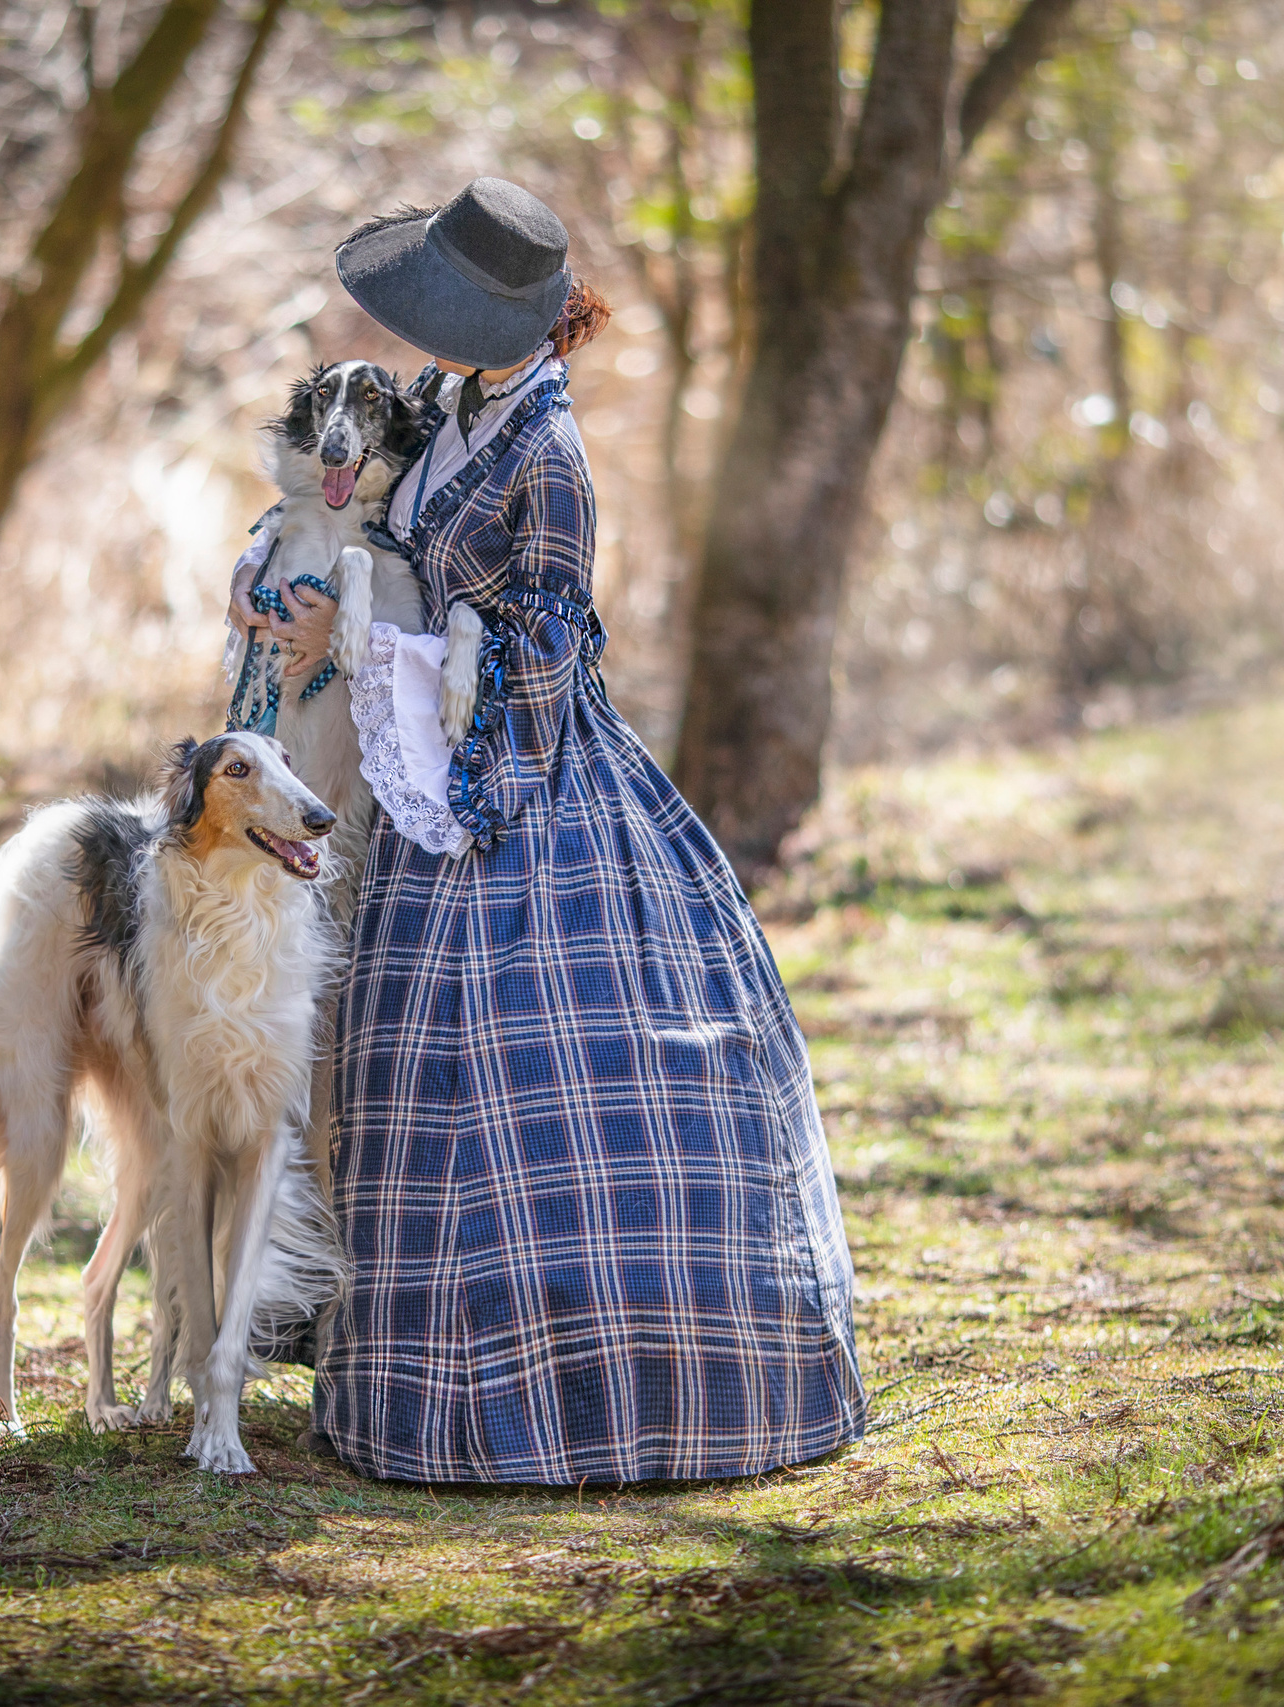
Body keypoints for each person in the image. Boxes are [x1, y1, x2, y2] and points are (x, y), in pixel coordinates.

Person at [238, 177, 865, 1484]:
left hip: (512, 787)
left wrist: (362, 640)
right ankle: (391, 1373)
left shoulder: (549, 456)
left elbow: (543, 651)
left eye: (448, 312)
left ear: (508, 319)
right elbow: (353, 523)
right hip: (411, 772)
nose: (425, 336)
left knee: (519, 1090)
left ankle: (584, 1393)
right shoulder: (453, 412)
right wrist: (288, 592)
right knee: (382, 1073)